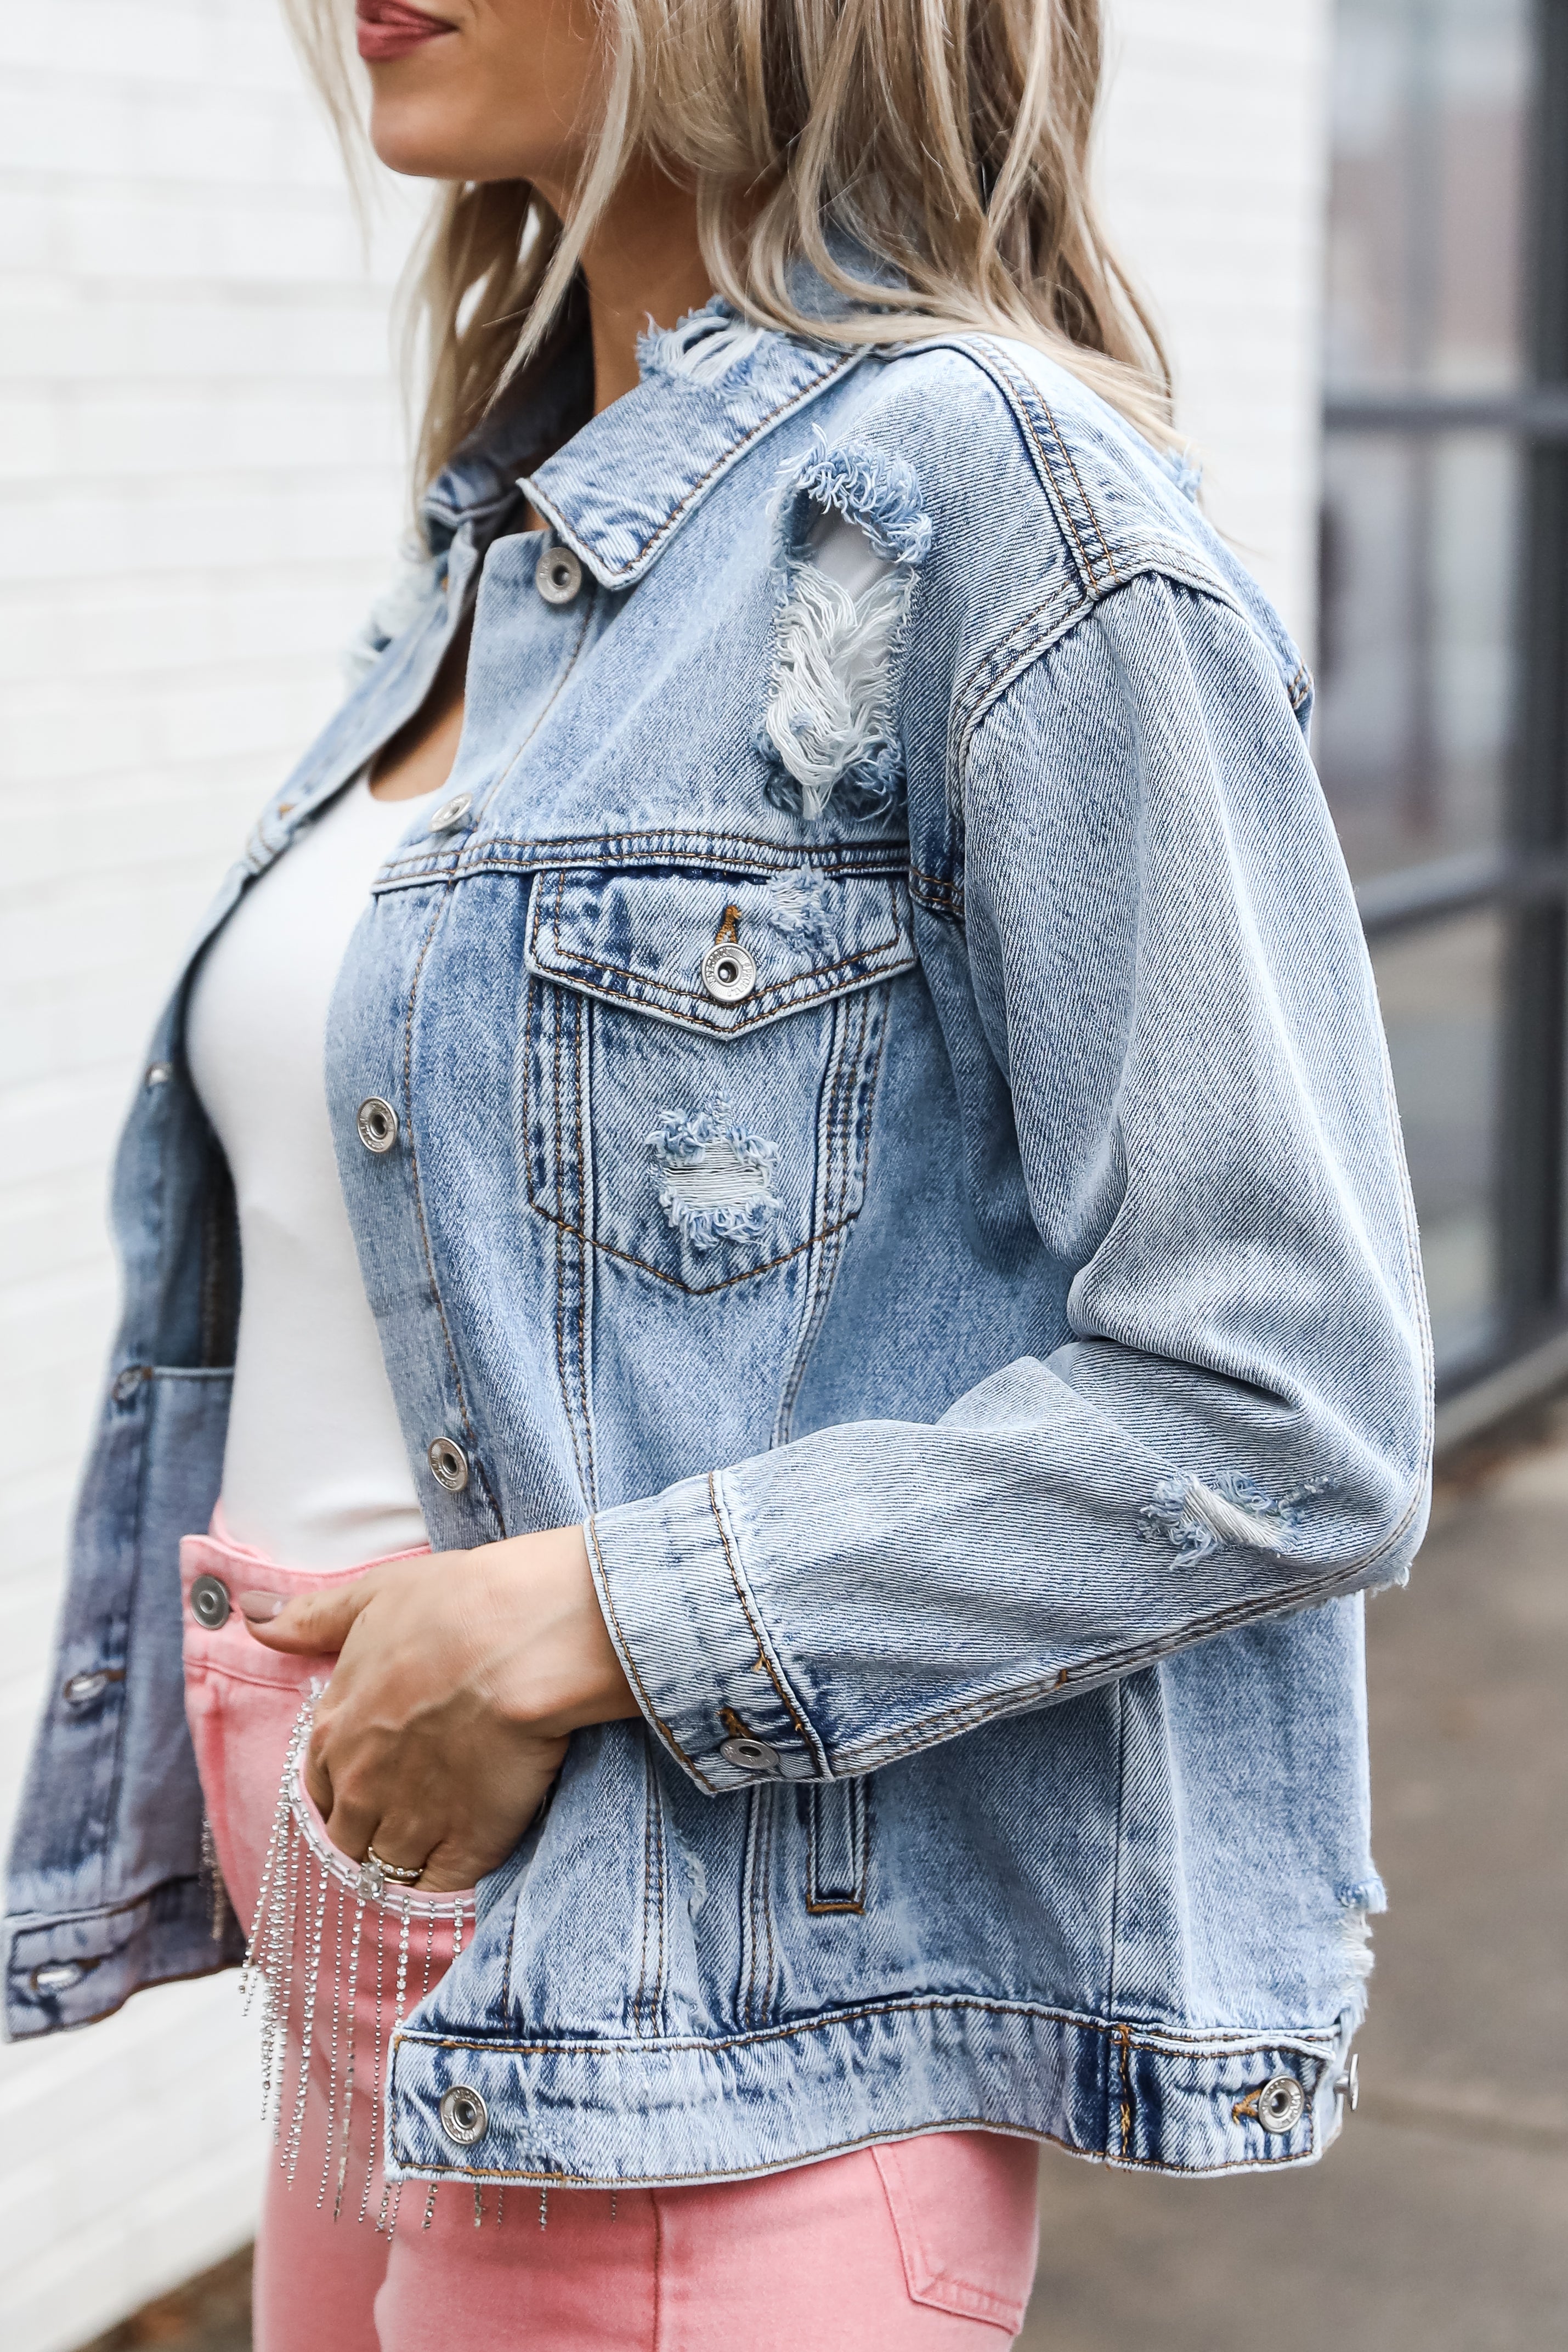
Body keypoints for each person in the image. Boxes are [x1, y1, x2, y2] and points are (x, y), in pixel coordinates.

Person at [4, 0, 1431, 2344]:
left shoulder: (993, 501)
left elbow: (1282, 1396)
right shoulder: (515, 534)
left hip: (697, 2040)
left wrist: (578, 1617)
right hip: (388, 1978)